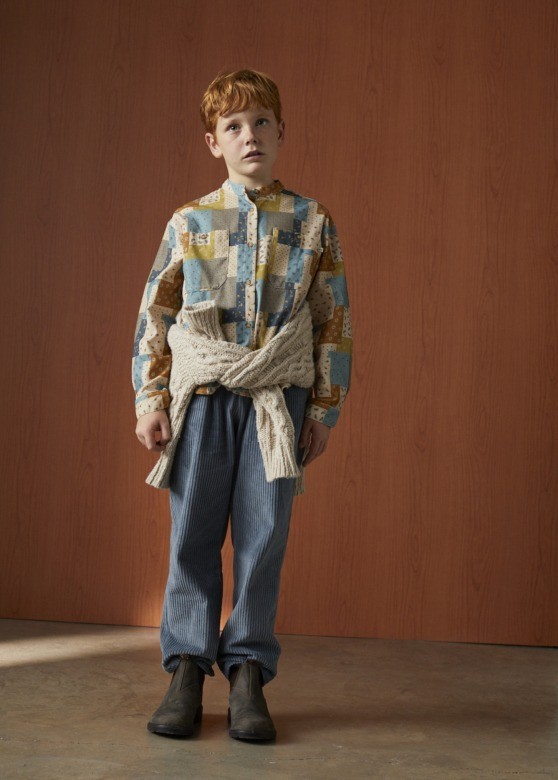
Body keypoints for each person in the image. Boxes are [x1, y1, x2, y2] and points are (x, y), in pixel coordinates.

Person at [132, 68, 353, 742]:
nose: (249, 135)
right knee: (193, 534)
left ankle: (249, 674)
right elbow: (156, 313)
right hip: (202, 399)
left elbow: (333, 320)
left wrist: (322, 409)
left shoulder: (312, 221)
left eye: (260, 122)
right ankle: (187, 669)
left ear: (281, 131)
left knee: (264, 537)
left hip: (276, 402)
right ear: (214, 142)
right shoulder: (190, 222)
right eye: (233, 126)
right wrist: (150, 398)